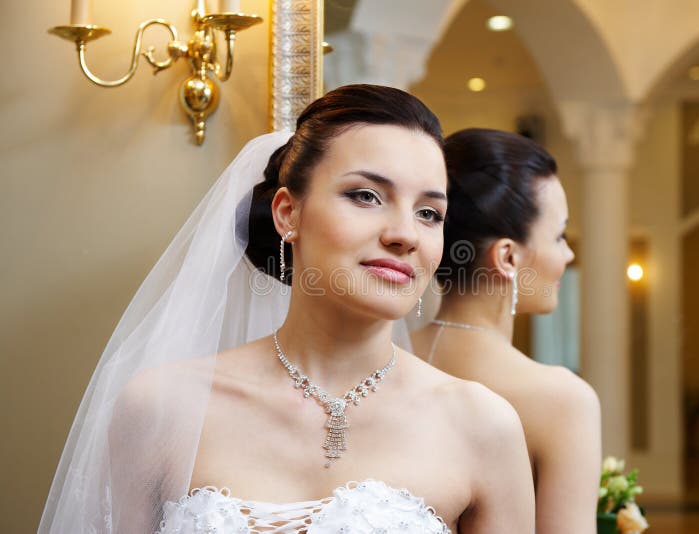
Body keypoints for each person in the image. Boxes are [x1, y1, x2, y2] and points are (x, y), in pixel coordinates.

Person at [39, 87, 535, 533]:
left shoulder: (483, 425)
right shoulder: (162, 408)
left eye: (429, 213)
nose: (404, 234)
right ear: (287, 213)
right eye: (366, 196)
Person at [411, 128, 601, 533]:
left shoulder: (387, 358)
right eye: (560, 235)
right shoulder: (565, 401)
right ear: (508, 256)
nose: (568, 254)